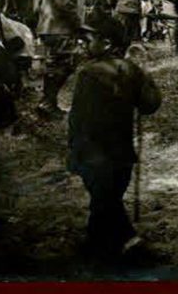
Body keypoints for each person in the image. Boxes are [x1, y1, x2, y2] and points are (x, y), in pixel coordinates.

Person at [67, 26, 161, 259]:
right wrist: (146, 77)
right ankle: (95, 241)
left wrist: (73, 149)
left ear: (106, 43)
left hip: (94, 154)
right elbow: (150, 105)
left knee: (104, 199)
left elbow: (77, 118)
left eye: (87, 40)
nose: (82, 45)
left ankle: (130, 240)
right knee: (107, 198)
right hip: (123, 155)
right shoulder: (131, 70)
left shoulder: (87, 74)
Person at [35, 0, 82, 118]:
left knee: (53, 65)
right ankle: (47, 102)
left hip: (47, 26)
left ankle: (48, 103)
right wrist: (77, 23)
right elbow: (64, 4)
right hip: (59, 28)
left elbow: (39, 1)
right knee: (66, 64)